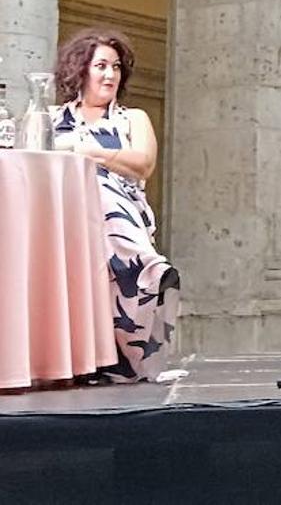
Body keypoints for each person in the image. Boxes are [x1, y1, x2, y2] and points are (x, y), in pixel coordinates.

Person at [52, 28, 180, 382]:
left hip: (121, 208)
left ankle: (141, 262)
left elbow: (143, 164)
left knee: (98, 185)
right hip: (67, 215)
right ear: (79, 69)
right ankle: (147, 269)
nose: (110, 74)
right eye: (101, 66)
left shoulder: (131, 118)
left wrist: (91, 154)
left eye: (117, 67)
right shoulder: (51, 121)